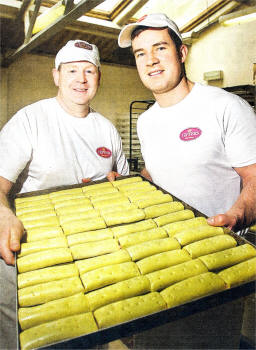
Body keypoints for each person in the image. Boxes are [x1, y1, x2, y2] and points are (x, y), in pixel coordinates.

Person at [0, 39, 129, 349]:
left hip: (91, 254)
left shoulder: (107, 130)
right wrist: (4, 215)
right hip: (32, 254)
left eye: (89, 71)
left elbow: (123, 184)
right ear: (56, 75)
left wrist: (117, 185)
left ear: (99, 76)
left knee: (89, 336)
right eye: (71, 70)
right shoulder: (30, 120)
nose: (80, 79)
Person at [118, 12, 256, 233]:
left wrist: (236, 216)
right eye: (140, 53)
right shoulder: (145, 121)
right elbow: (157, 172)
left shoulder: (226, 106)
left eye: (160, 48)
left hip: (222, 243)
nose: (151, 60)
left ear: (181, 53)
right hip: (168, 240)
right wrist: (127, 183)